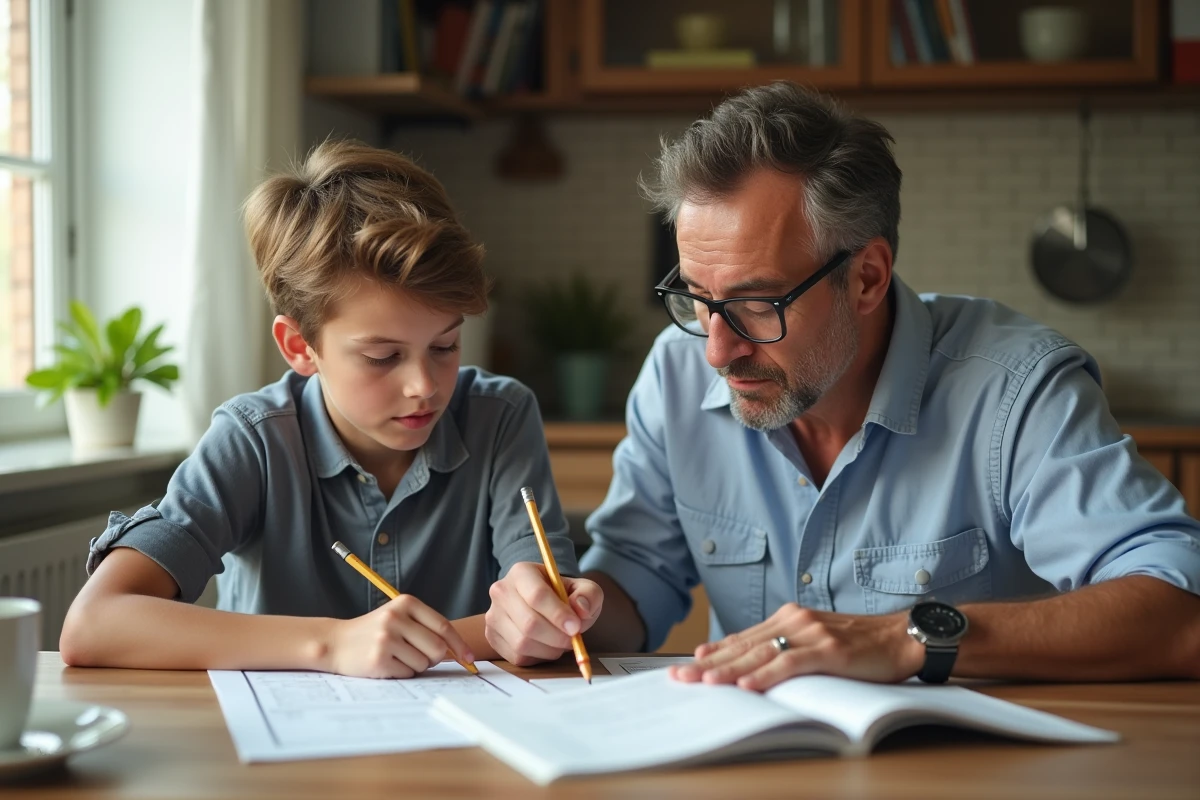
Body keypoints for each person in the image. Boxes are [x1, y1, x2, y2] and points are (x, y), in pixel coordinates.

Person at [484, 82, 1200, 689]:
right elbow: (636, 581)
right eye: (698, 298)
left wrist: (904, 639)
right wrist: (564, 610)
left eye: (757, 303)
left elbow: (1178, 611)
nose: (717, 350)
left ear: (866, 277)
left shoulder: (1017, 392)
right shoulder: (675, 372)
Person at [60, 140, 577, 678]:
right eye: (383, 357)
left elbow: (541, 614)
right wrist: (333, 644)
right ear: (300, 347)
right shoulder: (253, 440)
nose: (424, 385)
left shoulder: (501, 416)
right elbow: (95, 622)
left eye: (445, 346)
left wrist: (543, 613)